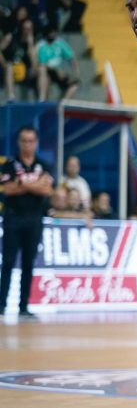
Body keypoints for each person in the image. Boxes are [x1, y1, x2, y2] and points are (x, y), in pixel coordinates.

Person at [0, 126, 53, 319]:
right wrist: (35, 185)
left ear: (36, 142)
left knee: (28, 262)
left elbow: (47, 190)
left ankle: (24, 306)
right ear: (18, 142)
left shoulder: (43, 164)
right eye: (24, 140)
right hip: (13, 217)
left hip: (34, 219)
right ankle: (2, 305)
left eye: (31, 141)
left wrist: (22, 183)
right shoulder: (9, 164)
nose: (27, 144)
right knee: (8, 261)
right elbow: (7, 190)